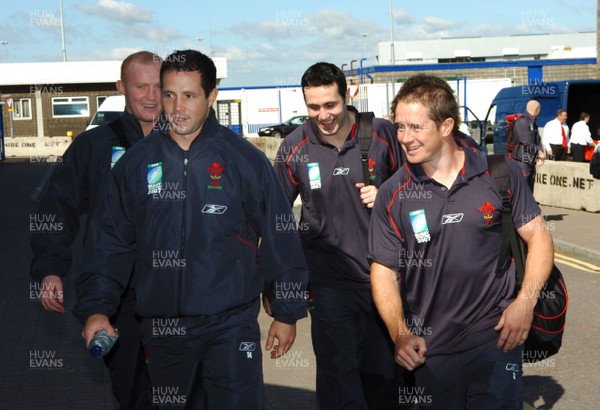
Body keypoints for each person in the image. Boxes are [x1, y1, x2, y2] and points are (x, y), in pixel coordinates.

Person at [74, 49, 308, 409]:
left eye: (189, 95)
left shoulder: (244, 161)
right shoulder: (136, 164)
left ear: (211, 96)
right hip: (164, 330)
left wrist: (286, 310)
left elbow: (280, 236)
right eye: (169, 95)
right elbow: (110, 242)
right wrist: (97, 309)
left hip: (231, 325)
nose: (176, 107)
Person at [368, 74, 554, 409]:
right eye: (400, 127)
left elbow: (539, 236)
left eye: (415, 127)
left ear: (446, 126)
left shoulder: (499, 172)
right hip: (431, 352)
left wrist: (525, 303)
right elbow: (383, 270)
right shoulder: (392, 194)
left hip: (497, 339)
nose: (404, 138)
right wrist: (400, 333)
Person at [30, 50, 163, 409]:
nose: (151, 96)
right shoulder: (94, 145)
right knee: (134, 392)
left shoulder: (186, 144)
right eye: (141, 86)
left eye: (158, 86)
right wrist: (51, 268)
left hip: (178, 293)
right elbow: (57, 207)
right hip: (116, 294)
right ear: (121, 87)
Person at [273, 62, 408, 409]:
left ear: (348, 94)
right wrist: (279, 289)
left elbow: (424, 192)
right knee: (337, 380)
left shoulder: (384, 134)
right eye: (313, 107)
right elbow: (274, 220)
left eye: (330, 105)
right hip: (328, 284)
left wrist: (387, 199)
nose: (323, 115)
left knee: (385, 379)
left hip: (385, 280)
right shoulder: (293, 147)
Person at [509, 100, 545, 191]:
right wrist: (539, 153)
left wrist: (538, 157)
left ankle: (528, 204)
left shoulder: (533, 123)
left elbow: (537, 141)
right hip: (522, 161)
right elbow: (526, 142)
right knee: (522, 189)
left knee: (529, 188)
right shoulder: (522, 122)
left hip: (530, 160)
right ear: (537, 110)